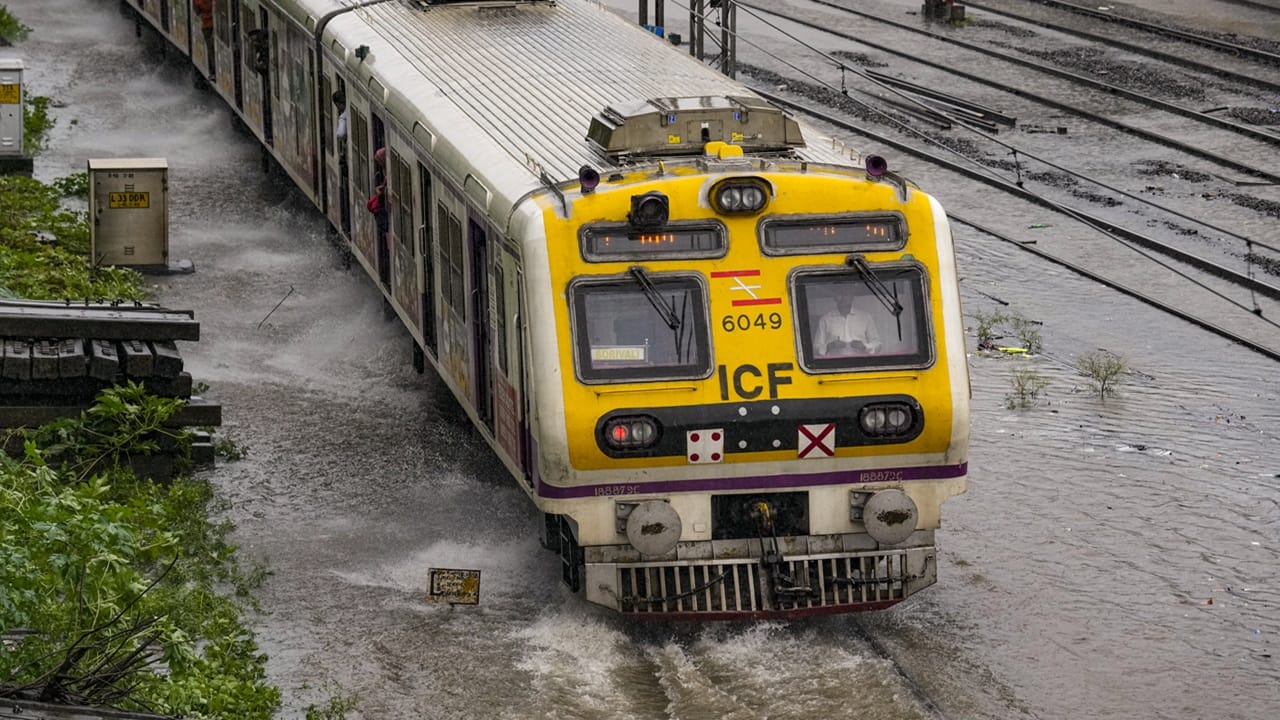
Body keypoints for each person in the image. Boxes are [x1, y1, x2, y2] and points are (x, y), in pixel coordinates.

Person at [813, 292, 881, 356]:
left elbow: (878, 344)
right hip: (834, 364)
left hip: (861, 364)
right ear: (835, 298)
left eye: (846, 294)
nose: (843, 298)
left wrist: (864, 346)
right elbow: (816, 347)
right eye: (840, 294)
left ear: (852, 297)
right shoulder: (825, 319)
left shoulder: (865, 317)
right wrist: (830, 346)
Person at [193, 0, 215, 79]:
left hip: (207, 25)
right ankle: (213, 71)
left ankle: (213, 71)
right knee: (211, 48)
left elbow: (197, 11)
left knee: (210, 48)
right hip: (211, 25)